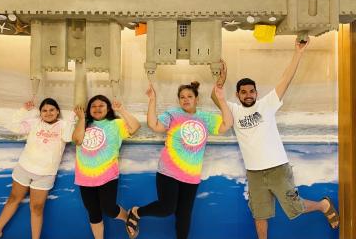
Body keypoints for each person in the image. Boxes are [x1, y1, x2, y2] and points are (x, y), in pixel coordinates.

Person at [212, 39, 340, 239]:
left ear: (256, 93)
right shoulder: (234, 110)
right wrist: (220, 81)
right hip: (254, 173)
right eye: (243, 92)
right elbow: (216, 97)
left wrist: (298, 52)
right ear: (237, 95)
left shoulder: (266, 104)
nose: (248, 95)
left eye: (251, 91)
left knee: (295, 208)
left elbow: (285, 79)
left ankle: (323, 205)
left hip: (278, 168)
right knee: (259, 215)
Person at [125, 80, 233, 239]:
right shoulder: (173, 114)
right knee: (167, 208)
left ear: (197, 99)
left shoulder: (205, 118)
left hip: (191, 176)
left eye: (190, 96)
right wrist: (152, 100)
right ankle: (136, 212)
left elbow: (226, 125)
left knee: (184, 215)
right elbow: (153, 125)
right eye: (182, 97)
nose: (186, 99)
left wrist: (222, 100)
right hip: (168, 171)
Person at [0, 98, 75, 239]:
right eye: (44, 110)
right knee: (13, 199)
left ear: (57, 111)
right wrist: (23, 110)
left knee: (36, 209)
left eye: (52, 110)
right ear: (40, 113)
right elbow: (13, 126)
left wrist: (73, 116)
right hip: (24, 168)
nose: (48, 113)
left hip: (45, 174)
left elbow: (68, 137)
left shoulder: (63, 125)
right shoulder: (35, 123)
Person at [72, 95, 140, 239]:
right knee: (93, 212)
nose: (97, 109)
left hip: (107, 175)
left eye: (101, 105)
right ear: (89, 110)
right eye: (93, 106)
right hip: (85, 176)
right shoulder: (83, 124)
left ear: (108, 108)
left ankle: (128, 216)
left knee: (109, 209)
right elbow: (77, 140)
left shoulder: (116, 124)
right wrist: (82, 118)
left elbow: (135, 127)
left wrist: (121, 110)